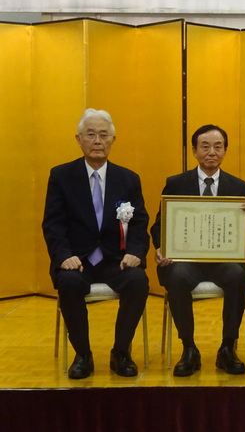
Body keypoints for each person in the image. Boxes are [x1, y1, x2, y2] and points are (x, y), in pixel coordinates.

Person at [42, 108, 150, 379]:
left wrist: (136, 252)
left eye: (104, 135)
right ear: (79, 139)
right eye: (91, 135)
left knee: (138, 281)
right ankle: (83, 354)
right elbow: (53, 224)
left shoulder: (128, 178)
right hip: (77, 261)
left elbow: (139, 222)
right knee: (69, 283)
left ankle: (121, 352)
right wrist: (64, 255)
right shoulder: (61, 176)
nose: (98, 141)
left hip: (116, 260)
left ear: (114, 139)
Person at [150, 124, 245, 376]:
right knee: (176, 277)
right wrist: (160, 248)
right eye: (205, 146)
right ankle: (189, 348)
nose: (212, 152)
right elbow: (160, 225)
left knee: (238, 275)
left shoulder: (238, 186)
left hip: (222, 260)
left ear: (225, 151)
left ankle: (227, 347)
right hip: (186, 260)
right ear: (194, 151)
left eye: (218, 147)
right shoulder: (176, 183)